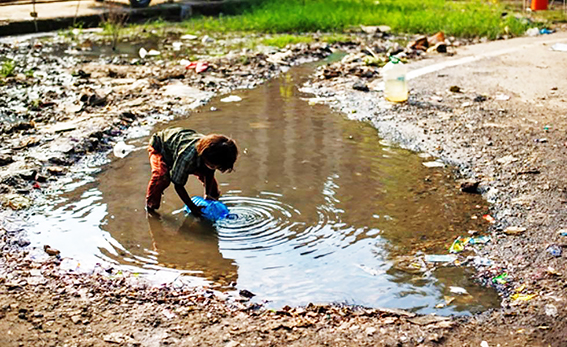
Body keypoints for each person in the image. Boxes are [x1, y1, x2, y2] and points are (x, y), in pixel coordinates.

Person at [145, 127, 238, 218]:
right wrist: (192, 206)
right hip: (160, 147)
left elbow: (209, 172)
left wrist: (207, 195)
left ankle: (212, 197)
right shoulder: (187, 158)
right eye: (214, 166)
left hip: (183, 148)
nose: (214, 168)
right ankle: (151, 207)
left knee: (213, 189)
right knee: (161, 177)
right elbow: (178, 184)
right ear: (205, 157)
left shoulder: (213, 151)